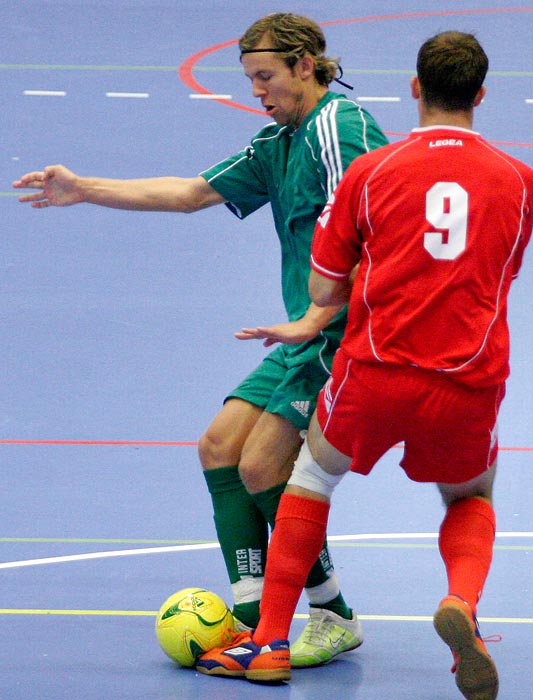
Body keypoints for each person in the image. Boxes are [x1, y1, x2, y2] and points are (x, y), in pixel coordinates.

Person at [13, 13, 389, 667]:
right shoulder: (278, 143)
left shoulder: (341, 129)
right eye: (250, 80)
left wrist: (321, 320)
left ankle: (329, 614)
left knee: (262, 466)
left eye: (265, 77)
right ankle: (248, 617)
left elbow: (379, 235)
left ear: (305, 65)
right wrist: (83, 190)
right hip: (303, 331)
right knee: (219, 448)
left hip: (343, 331)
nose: (257, 91)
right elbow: (189, 193)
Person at [195, 30, 533, 700]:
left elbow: (327, 286)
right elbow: (502, 273)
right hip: (467, 377)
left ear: (415, 89)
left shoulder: (370, 171)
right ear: (481, 95)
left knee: (310, 478)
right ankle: (461, 604)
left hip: (375, 371)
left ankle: (267, 642)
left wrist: (313, 314)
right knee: (468, 496)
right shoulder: (516, 181)